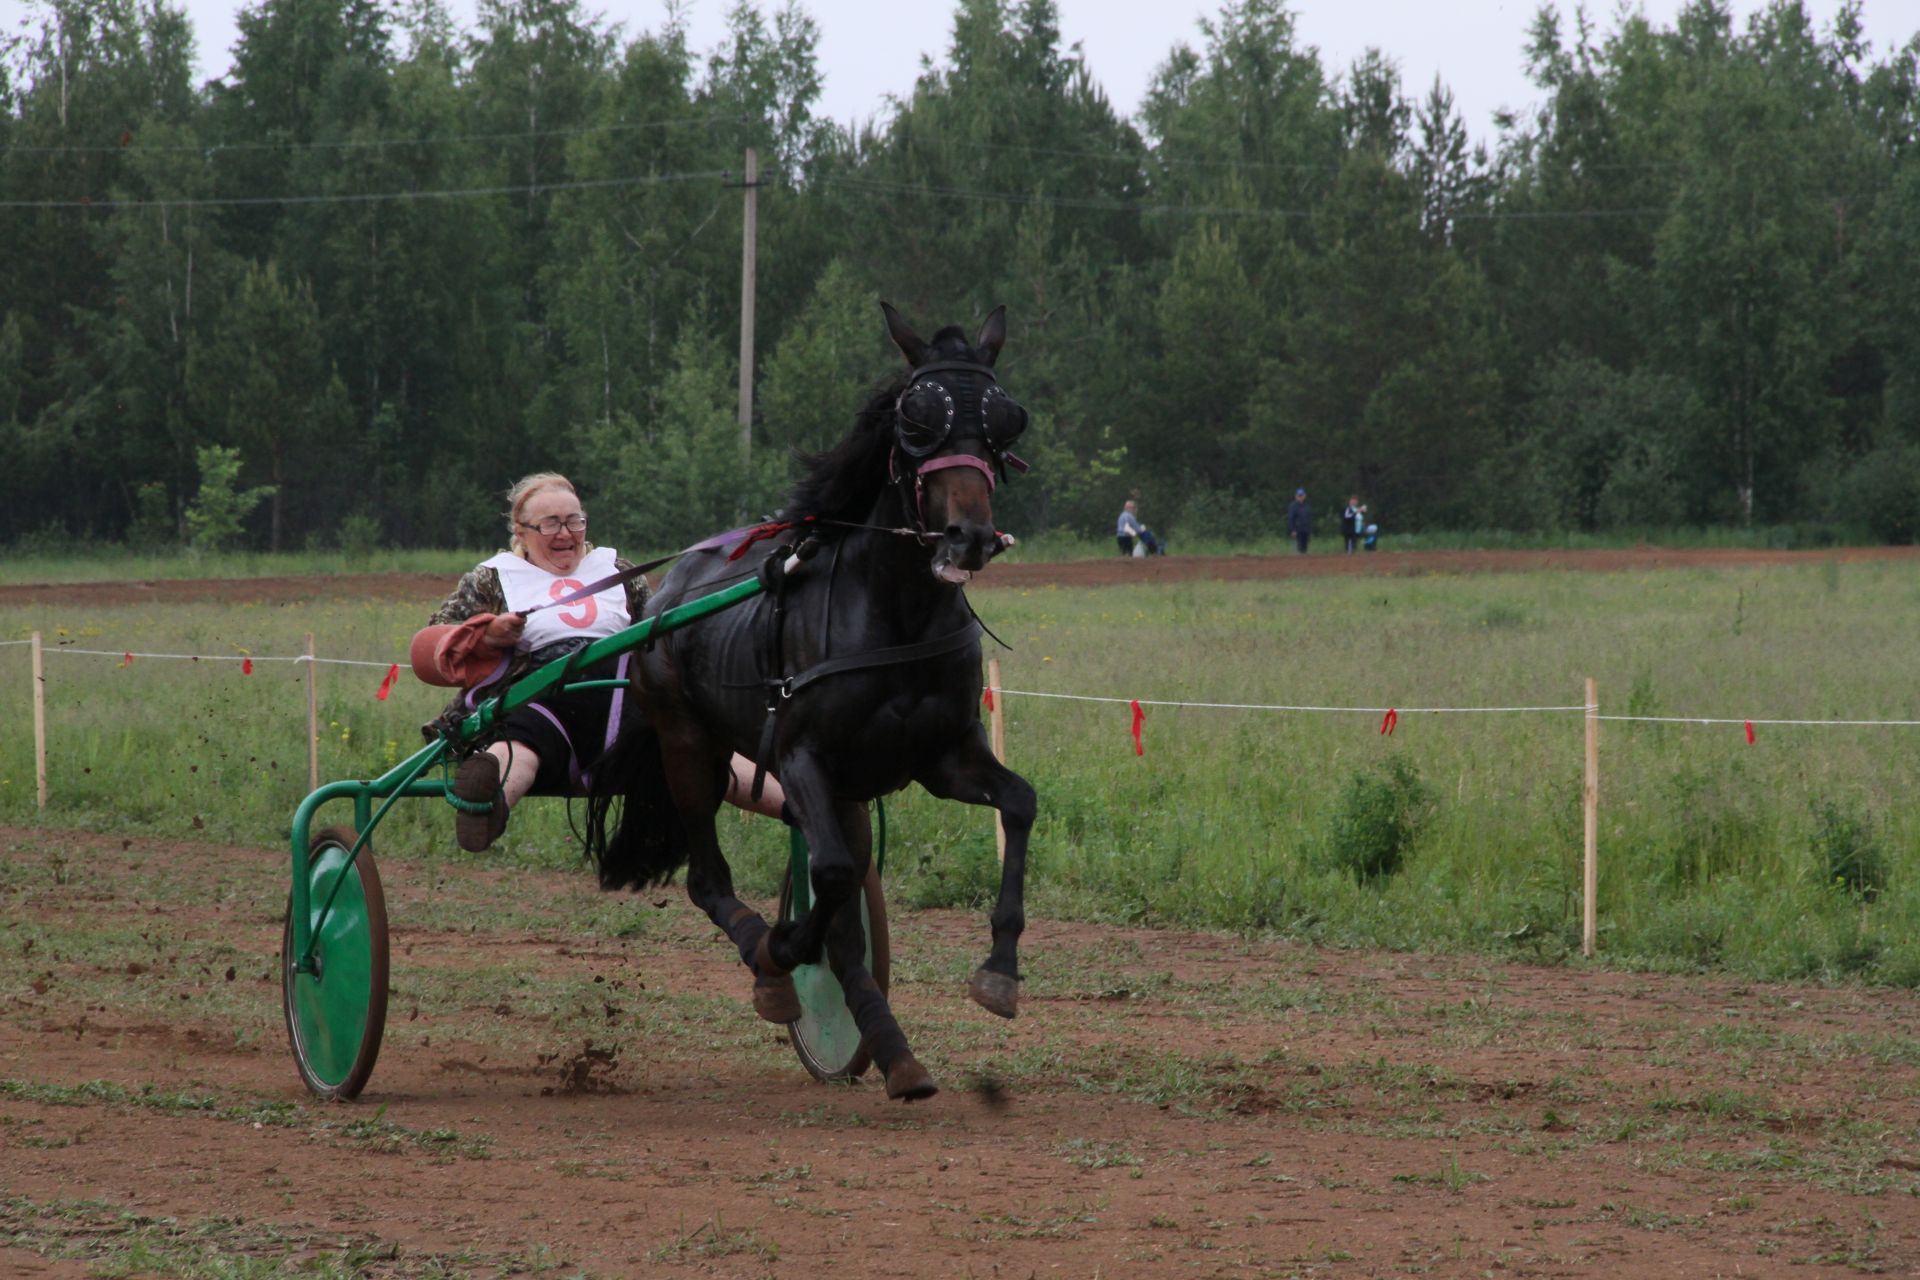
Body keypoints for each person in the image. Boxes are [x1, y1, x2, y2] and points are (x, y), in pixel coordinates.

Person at [409, 472, 783, 852]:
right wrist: (487, 635)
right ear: (521, 532)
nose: (565, 533)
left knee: (697, 740)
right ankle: (489, 803)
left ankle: (799, 809)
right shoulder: (492, 579)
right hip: (539, 700)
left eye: (574, 521)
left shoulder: (619, 570)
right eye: (550, 524)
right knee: (521, 744)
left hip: (625, 701)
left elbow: (658, 638)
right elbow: (435, 645)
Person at [1286, 488, 1312, 554]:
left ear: (1304, 496)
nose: (1300, 497)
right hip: (1297, 530)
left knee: (1304, 549)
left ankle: (1305, 563)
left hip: (1305, 530)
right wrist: (1292, 530)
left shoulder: (1306, 506)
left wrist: (1309, 530)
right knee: (1298, 550)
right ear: (1296, 496)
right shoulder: (1293, 506)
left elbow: (1309, 518)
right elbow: (1290, 519)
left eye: (1302, 495)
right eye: (1299, 496)